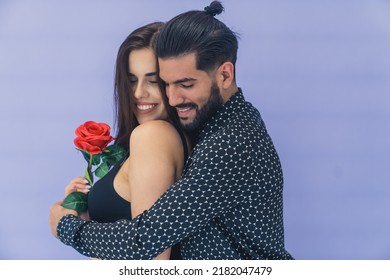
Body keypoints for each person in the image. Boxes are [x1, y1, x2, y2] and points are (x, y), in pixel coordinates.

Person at [50, 1, 293, 260]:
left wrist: (65, 226)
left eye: (185, 84)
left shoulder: (230, 143)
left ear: (225, 75)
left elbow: (144, 244)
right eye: (166, 83)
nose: (173, 98)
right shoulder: (220, 124)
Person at [61, 22, 189, 260]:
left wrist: (68, 228)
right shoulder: (159, 137)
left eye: (153, 80)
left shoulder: (153, 135)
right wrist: (86, 218)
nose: (139, 93)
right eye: (131, 80)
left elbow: (150, 260)